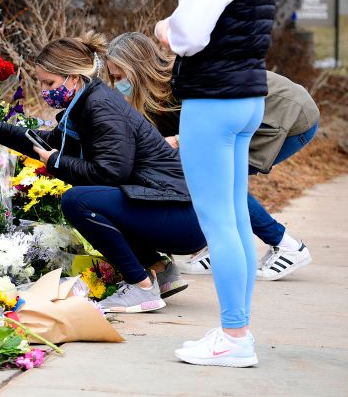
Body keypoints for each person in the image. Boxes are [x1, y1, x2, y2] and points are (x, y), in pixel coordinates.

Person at [0, 32, 207, 314]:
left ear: (73, 78)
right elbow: (49, 143)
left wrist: (56, 162)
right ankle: (159, 269)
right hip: (174, 209)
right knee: (93, 199)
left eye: (50, 82)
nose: (44, 90)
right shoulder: (85, 102)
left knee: (78, 201)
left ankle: (141, 287)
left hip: (182, 216)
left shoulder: (100, 107)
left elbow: (110, 173)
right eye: (41, 82)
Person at [153, 0, 276, 368]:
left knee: (218, 222)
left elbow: (191, 34)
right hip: (247, 97)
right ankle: (236, 329)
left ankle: (235, 335)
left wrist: (166, 30)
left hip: (212, 102)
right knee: (233, 219)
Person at [106, 32, 317, 281]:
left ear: (137, 67)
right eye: (112, 77)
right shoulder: (152, 95)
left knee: (220, 184)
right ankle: (213, 247)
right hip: (251, 119)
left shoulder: (186, 76)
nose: (116, 84)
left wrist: (177, 141)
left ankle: (287, 246)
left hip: (286, 115)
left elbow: (214, 119)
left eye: (119, 77)